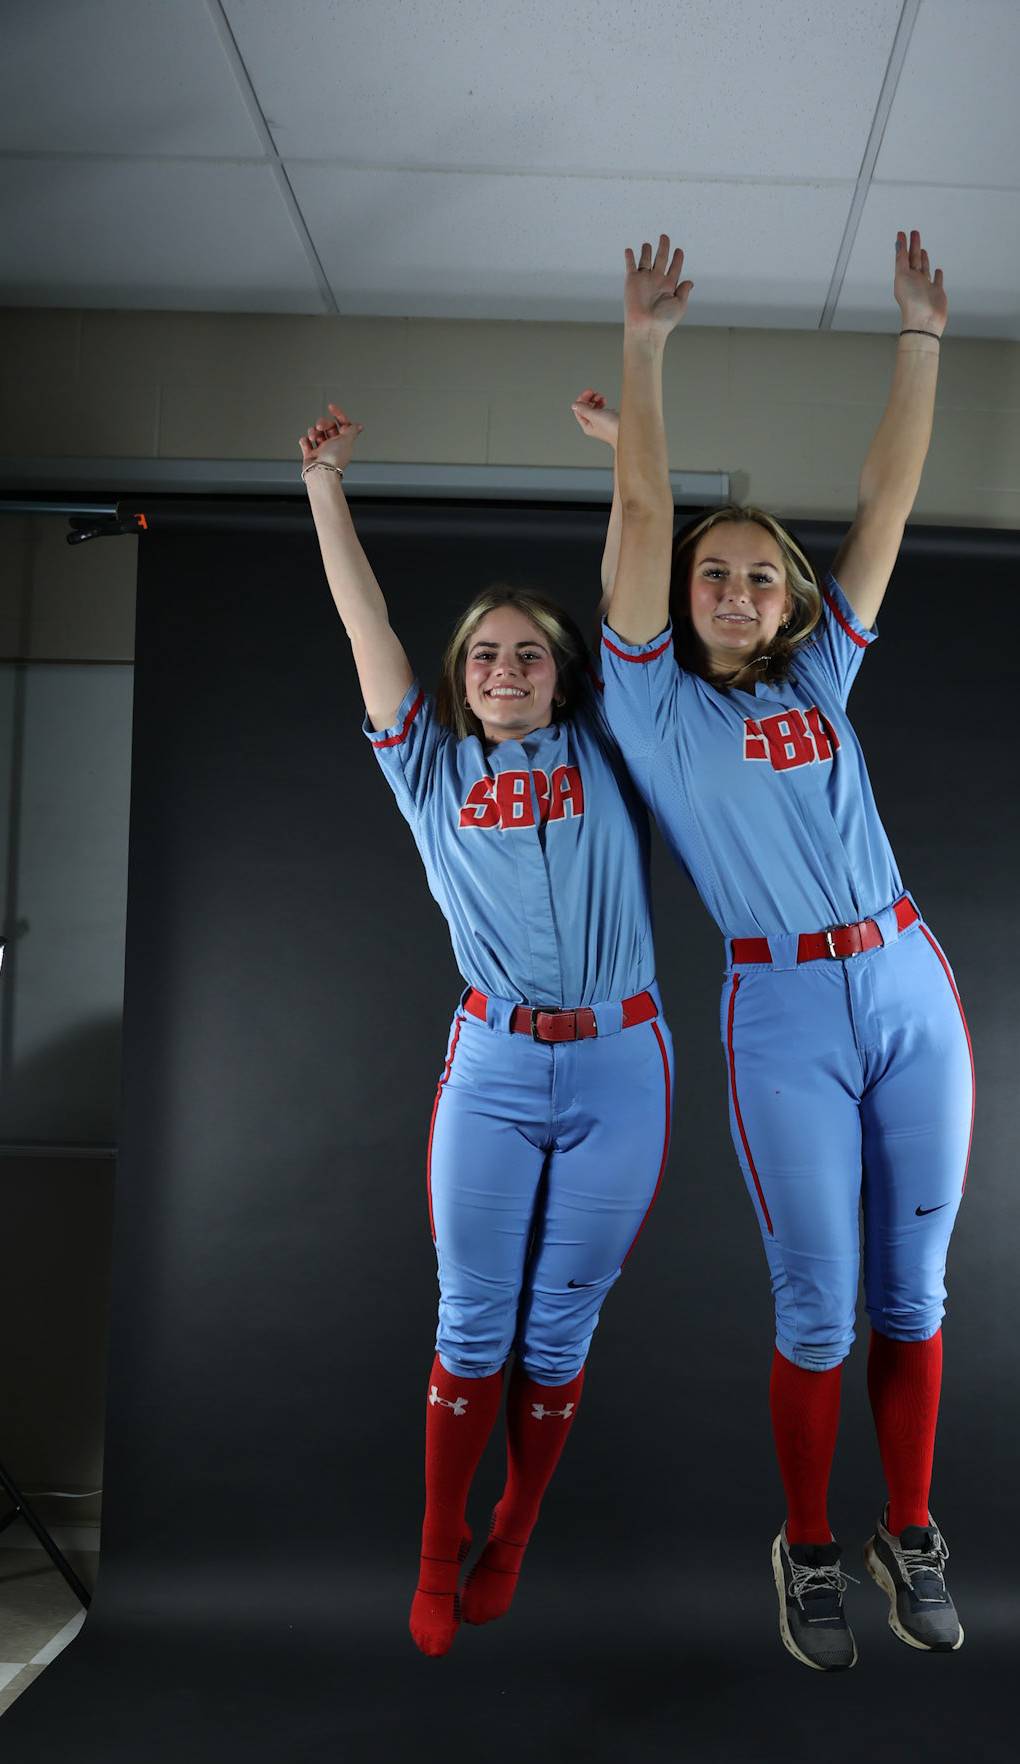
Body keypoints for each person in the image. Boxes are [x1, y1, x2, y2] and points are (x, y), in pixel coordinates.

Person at [592, 232, 974, 1673]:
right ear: (681, 602)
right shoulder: (654, 713)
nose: (738, 587)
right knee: (819, 1301)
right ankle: (810, 1547)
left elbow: (885, 502)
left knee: (916, 1296)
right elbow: (642, 511)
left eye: (761, 572)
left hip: (907, 985)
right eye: (714, 574)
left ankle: (911, 1528)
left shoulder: (820, 675)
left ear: (790, 599)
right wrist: (644, 353)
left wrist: (920, 338)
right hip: (785, 1010)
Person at [300, 405, 673, 1658]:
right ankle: (435, 1552)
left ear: (562, 672)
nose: (504, 669)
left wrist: (630, 452)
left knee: (561, 1328)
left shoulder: (614, 746)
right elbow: (369, 625)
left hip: (622, 1062)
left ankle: (512, 1529)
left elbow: (635, 575)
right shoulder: (430, 772)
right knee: (473, 1321)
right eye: (484, 657)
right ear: (460, 677)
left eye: (526, 654)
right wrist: (323, 487)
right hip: (497, 1063)